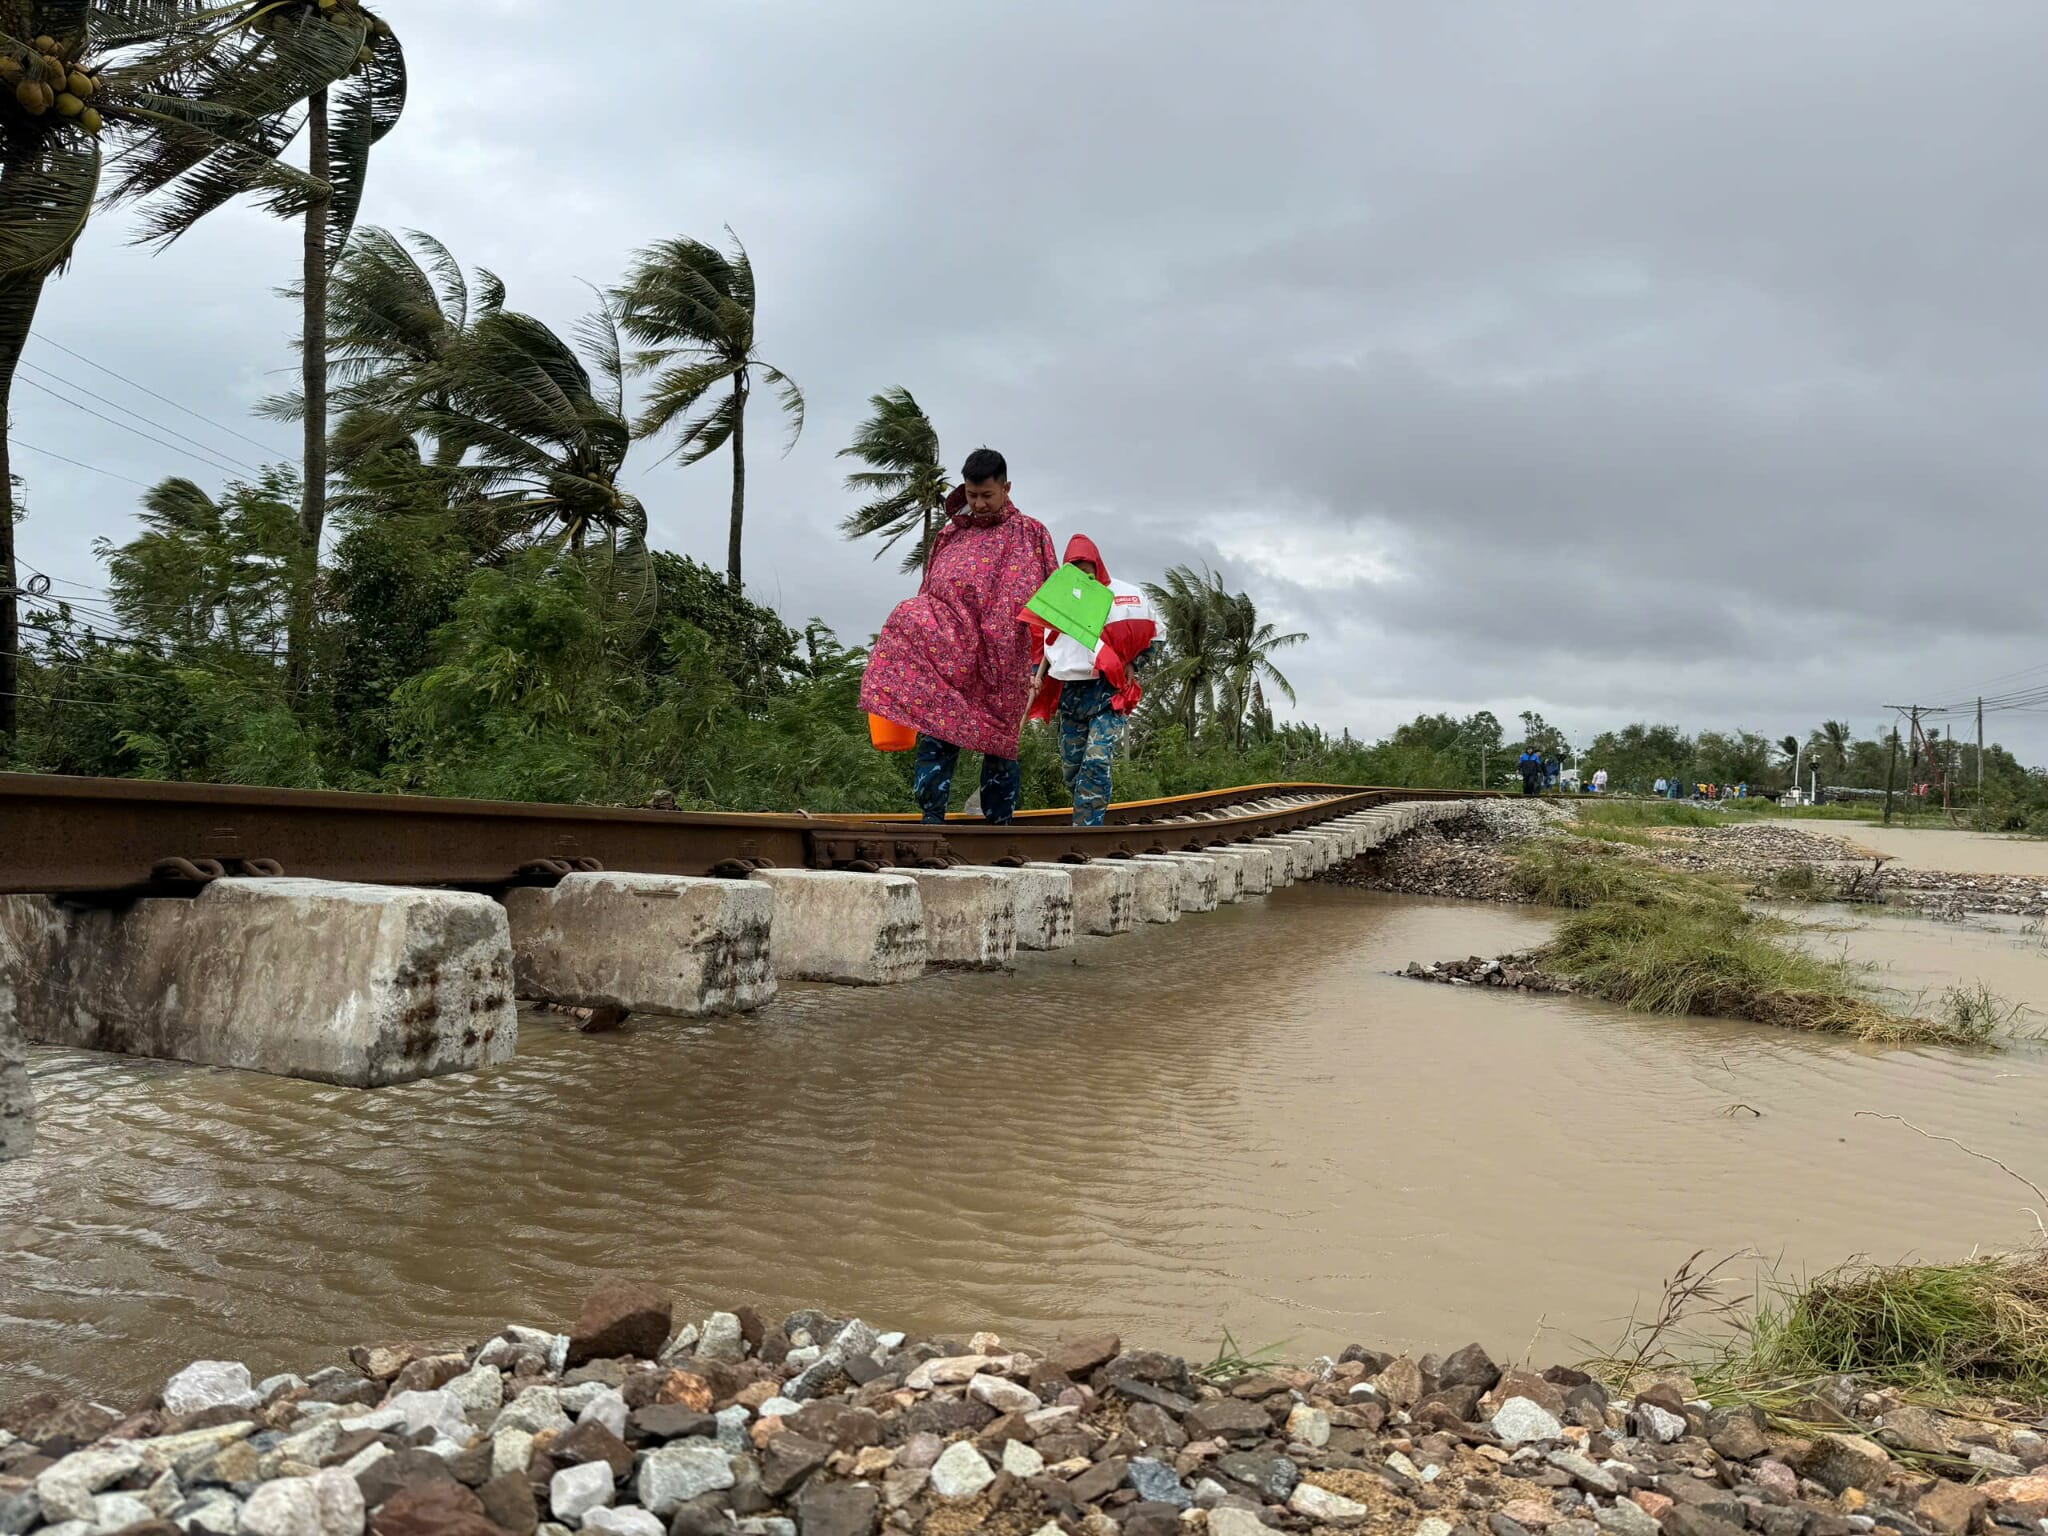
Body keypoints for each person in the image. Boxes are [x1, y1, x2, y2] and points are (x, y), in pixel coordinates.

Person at [859, 447, 1058, 824]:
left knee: (1000, 748)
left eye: (987, 495)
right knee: (938, 736)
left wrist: (1041, 664)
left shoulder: (1031, 534)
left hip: (1003, 662)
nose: (979, 504)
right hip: (950, 657)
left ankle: (999, 830)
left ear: (1006, 488)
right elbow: (927, 593)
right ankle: (930, 821)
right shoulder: (950, 537)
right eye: (971, 495)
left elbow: (1054, 601)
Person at [1023, 535, 1157, 825]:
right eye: (1076, 572)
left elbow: (1151, 637)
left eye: (1088, 572)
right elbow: (1043, 647)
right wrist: (1037, 676)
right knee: (1072, 770)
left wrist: (1134, 661)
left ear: (1098, 569)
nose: (1083, 579)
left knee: (1096, 761)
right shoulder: (1056, 603)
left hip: (1108, 692)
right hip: (1072, 696)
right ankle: (1085, 817)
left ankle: (1087, 828)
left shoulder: (1124, 598)